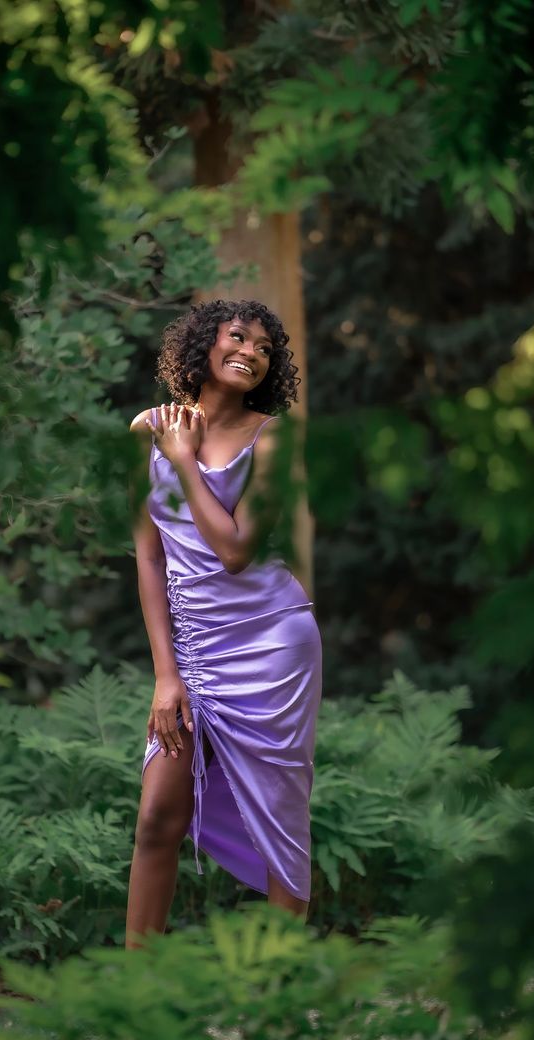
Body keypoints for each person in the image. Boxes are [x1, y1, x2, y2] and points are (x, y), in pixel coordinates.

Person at [125, 298, 322, 949]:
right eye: (239, 336)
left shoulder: (272, 436)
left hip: (271, 644)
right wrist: (166, 673)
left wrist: (184, 460)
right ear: (205, 346)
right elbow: (149, 555)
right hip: (196, 651)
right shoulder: (146, 431)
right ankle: (131, 1006)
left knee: (278, 820)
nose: (251, 351)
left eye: (265, 347)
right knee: (157, 815)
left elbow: (236, 550)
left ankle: (272, 994)